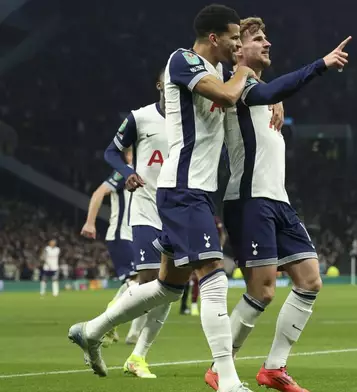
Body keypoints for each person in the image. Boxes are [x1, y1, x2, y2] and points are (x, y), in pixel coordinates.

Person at [69, 6, 257, 391]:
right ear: (214, 38)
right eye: (234, 38)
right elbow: (226, 93)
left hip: (198, 191)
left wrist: (266, 89)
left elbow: (242, 95)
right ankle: (228, 378)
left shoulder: (222, 70)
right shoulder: (184, 60)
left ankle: (91, 330)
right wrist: (244, 69)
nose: (239, 45)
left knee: (167, 286)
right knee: (213, 276)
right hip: (182, 188)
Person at [205, 17, 350, 392]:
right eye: (258, 39)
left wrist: (276, 94)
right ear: (239, 50)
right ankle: (221, 367)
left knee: (310, 280)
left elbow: (271, 93)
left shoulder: (262, 89)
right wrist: (319, 65)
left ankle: (273, 368)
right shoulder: (236, 86)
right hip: (250, 199)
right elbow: (263, 93)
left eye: (266, 37)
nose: (267, 43)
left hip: (278, 200)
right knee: (263, 290)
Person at [101, 69, 168, 378]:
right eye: (168, 78)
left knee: (171, 287)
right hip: (145, 210)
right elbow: (111, 150)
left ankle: (137, 355)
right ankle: (100, 327)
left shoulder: (195, 117)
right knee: (149, 283)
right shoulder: (139, 118)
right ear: (159, 84)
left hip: (180, 213)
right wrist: (127, 171)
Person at [81, 151, 139, 343]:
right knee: (138, 283)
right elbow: (99, 193)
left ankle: (126, 330)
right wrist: (90, 222)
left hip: (136, 237)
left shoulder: (145, 172)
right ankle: (106, 323)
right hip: (121, 236)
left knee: (143, 283)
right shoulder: (123, 172)